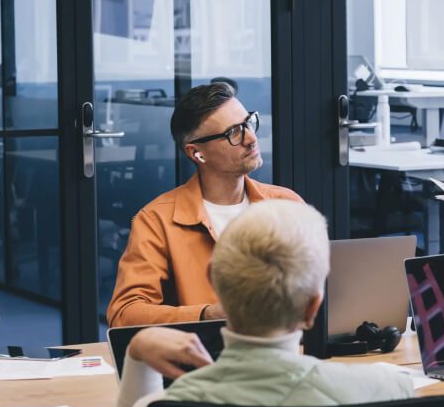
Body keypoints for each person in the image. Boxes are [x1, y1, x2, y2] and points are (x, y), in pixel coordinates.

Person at [115, 200, 413, 407]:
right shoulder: (388, 389)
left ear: (214, 281)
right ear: (313, 308)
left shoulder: (161, 406)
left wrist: (137, 355)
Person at [108, 82, 302, 327]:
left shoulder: (286, 204)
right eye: (233, 133)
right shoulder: (157, 220)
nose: (252, 138)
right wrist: (206, 315)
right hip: (206, 348)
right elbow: (124, 314)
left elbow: (325, 289)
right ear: (197, 153)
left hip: (287, 344)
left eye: (248, 123)